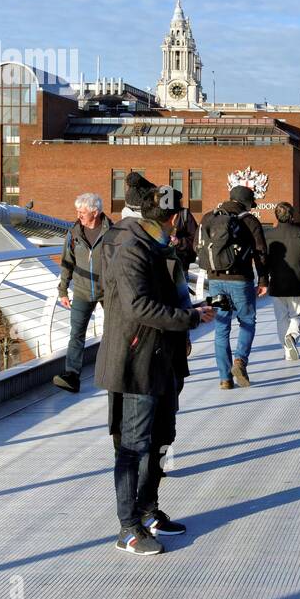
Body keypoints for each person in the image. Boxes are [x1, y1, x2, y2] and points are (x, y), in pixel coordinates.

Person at [99, 179, 216, 556]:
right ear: (172, 218)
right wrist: (191, 318)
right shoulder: (129, 247)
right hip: (136, 360)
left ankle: (148, 511)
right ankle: (128, 528)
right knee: (133, 445)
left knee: (160, 436)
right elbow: (138, 308)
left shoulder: (152, 244)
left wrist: (190, 314)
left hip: (162, 358)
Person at [200, 183, 268, 390]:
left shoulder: (208, 217)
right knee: (247, 320)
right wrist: (263, 281)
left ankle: (225, 379)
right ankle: (240, 361)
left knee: (221, 327)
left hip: (215, 281)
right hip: (241, 280)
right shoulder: (249, 220)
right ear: (247, 203)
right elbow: (261, 253)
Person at [53, 192, 114, 393]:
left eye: (82, 212)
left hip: (108, 291)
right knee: (76, 334)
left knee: (113, 332)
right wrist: (63, 290)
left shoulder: (112, 232)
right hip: (80, 291)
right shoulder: (73, 233)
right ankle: (71, 376)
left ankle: (111, 372)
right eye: (78, 211)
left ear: (95, 213)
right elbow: (66, 263)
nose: (78, 215)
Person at [263, 202, 300, 361]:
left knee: (281, 318)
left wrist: (263, 280)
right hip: (296, 283)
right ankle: (292, 337)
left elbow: (264, 261)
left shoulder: (268, 235)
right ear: (292, 215)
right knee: (297, 315)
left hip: (276, 283)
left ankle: (287, 349)